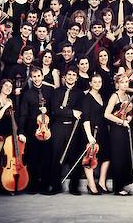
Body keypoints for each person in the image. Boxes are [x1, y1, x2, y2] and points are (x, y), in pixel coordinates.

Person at [17, 67, 54, 194]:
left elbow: (54, 110)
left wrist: (47, 113)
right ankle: (33, 185)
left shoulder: (49, 91)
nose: (37, 79)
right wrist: (21, 132)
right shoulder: (27, 94)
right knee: (33, 158)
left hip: (47, 129)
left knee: (46, 157)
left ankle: (45, 185)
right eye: (34, 77)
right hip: (32, 129)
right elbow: (23, 114)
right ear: (31, 78)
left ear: (42, 76)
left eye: (39, 76)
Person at [48, 66, 83, 195]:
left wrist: (66, 111)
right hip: (58, 128)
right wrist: (71, 112)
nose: (71, 77)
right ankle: (55, 187)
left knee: (74, 156)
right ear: (64, 76)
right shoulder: (56, 92)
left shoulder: (80, 94)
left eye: (74, 75)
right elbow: (55, 111)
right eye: (69, 74)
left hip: (73, 129)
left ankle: (74, 187)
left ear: (77, 78)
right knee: (56, 157)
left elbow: (80, 112)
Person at [104, 74, 133, 196]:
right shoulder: (115, 96)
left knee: (123, 157)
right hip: (116, 130)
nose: (125, 84)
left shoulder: (127, 96)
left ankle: (122, 185)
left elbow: (129, 113)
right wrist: (122, 121)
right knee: (117, 158)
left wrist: (129, 118)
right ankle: (117, 188)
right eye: (122, 82)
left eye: (127, 82)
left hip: (125, 129)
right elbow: (107, 114)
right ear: (117, 84)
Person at [81, 74, 111, 195]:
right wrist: (89, 136)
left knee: (107, 157)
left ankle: (102, 183)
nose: (97, 84)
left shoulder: (101, 96)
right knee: (90, 158)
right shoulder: (87, 98)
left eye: (99, 81)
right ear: (90, 83)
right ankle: (91, 185)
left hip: (102, 130)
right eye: (95, 82)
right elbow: (86, 118)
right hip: (92, 132)